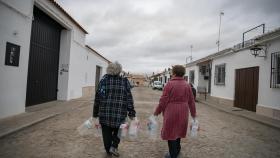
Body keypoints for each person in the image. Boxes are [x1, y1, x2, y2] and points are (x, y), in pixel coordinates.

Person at [93, 61, 136, 157]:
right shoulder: (124, 82)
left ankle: (108, 151)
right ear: (119, 70)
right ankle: (114, 146)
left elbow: (97, 98)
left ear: (108, 70)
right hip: (120, 113)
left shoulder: (103, 81)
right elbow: (129, 98)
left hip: (105, 114)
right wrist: (131, 112)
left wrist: (95, 113)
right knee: (119, 130)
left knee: (106, 133)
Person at [153, 65, 196, 158]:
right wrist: (194, 115)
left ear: (174, 73)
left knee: (170, 133)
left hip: (171, 111)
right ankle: (176, 152)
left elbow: (163, 101)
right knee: (178, 132)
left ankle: (173, 154)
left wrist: (156, 112)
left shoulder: (169, 84)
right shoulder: (187, 85)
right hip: (184, 112)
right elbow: (192, 101)